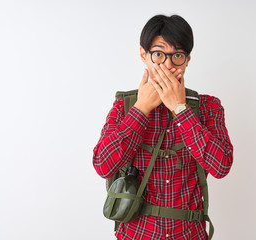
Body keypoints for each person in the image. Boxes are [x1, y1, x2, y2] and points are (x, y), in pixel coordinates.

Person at [93, 14, 233, 240]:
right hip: (137, 234)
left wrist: (181, 109)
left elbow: (222, 166)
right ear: (143, 55)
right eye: (158, 54)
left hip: (189, 234)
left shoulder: (208, 107)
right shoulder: (125, 105)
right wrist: (141, 109)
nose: (167, 64)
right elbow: (102, 165)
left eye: (177, 55)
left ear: (187, 60)